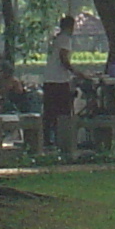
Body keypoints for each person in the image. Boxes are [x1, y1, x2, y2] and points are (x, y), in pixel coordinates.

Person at [42, 15, 81, 143]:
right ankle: (63, 140)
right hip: (59, 81)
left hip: (49, 79)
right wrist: (77, 72)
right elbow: (64, 59)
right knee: (63, 112)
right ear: (70, 26)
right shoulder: (65, 39)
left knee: (49, 112)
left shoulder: (56, 39)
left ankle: (47, 140)